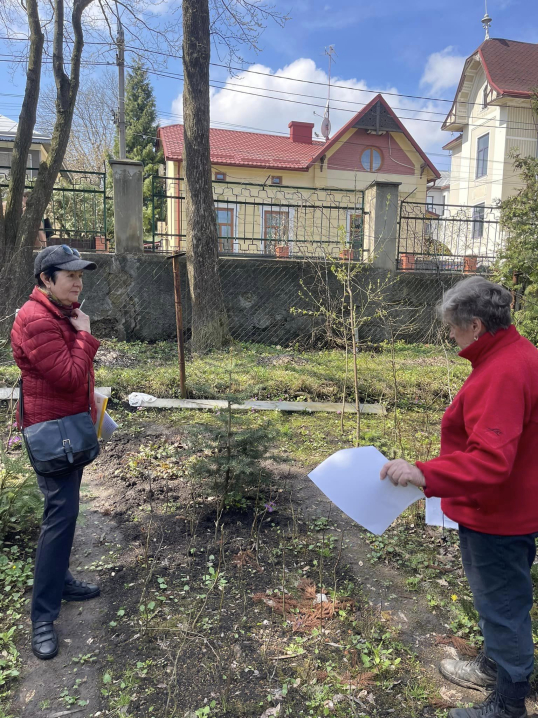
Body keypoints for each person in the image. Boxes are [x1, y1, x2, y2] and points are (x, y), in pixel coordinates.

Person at [380, 276, 538, 718]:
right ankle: (496, 666)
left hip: (498, 515)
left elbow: (490, 461)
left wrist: (423, 473)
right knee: (503, 598)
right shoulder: (517, 355)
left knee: (502, 605)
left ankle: (508, 705)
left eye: (452, 327)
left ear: (474, 326)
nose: (450, 335)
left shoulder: (504, 371)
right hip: (513, 506)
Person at [11, 244, 100, 661]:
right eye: (70, 276)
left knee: (64, 512)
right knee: (59, 517)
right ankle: (42, 617)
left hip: (68, 427)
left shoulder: (57, 314)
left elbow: (72, 377)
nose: (78, 283)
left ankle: (60, 582)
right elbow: (67, 376)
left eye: (81, 276)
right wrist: (85, 334)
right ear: (46, 279)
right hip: (51, 434)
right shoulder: (36, 320)